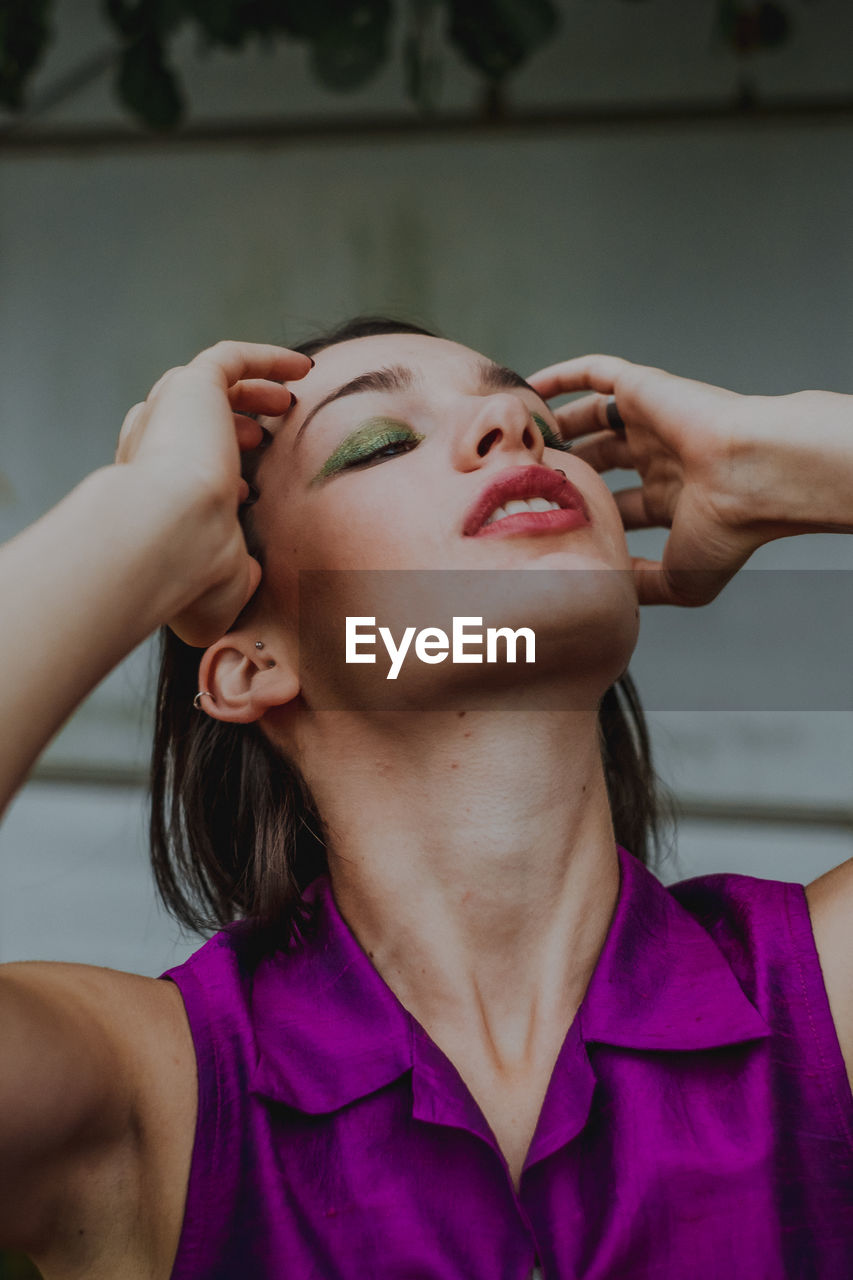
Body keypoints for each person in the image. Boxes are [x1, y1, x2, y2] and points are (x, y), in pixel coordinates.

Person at [0, 316, 851, 1280]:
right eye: (379, 443)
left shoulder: (816, 1002)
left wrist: (772, 461)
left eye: (542, 425)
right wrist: (147, 515)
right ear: (250, 664)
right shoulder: (155, 1103)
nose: (511, 425)